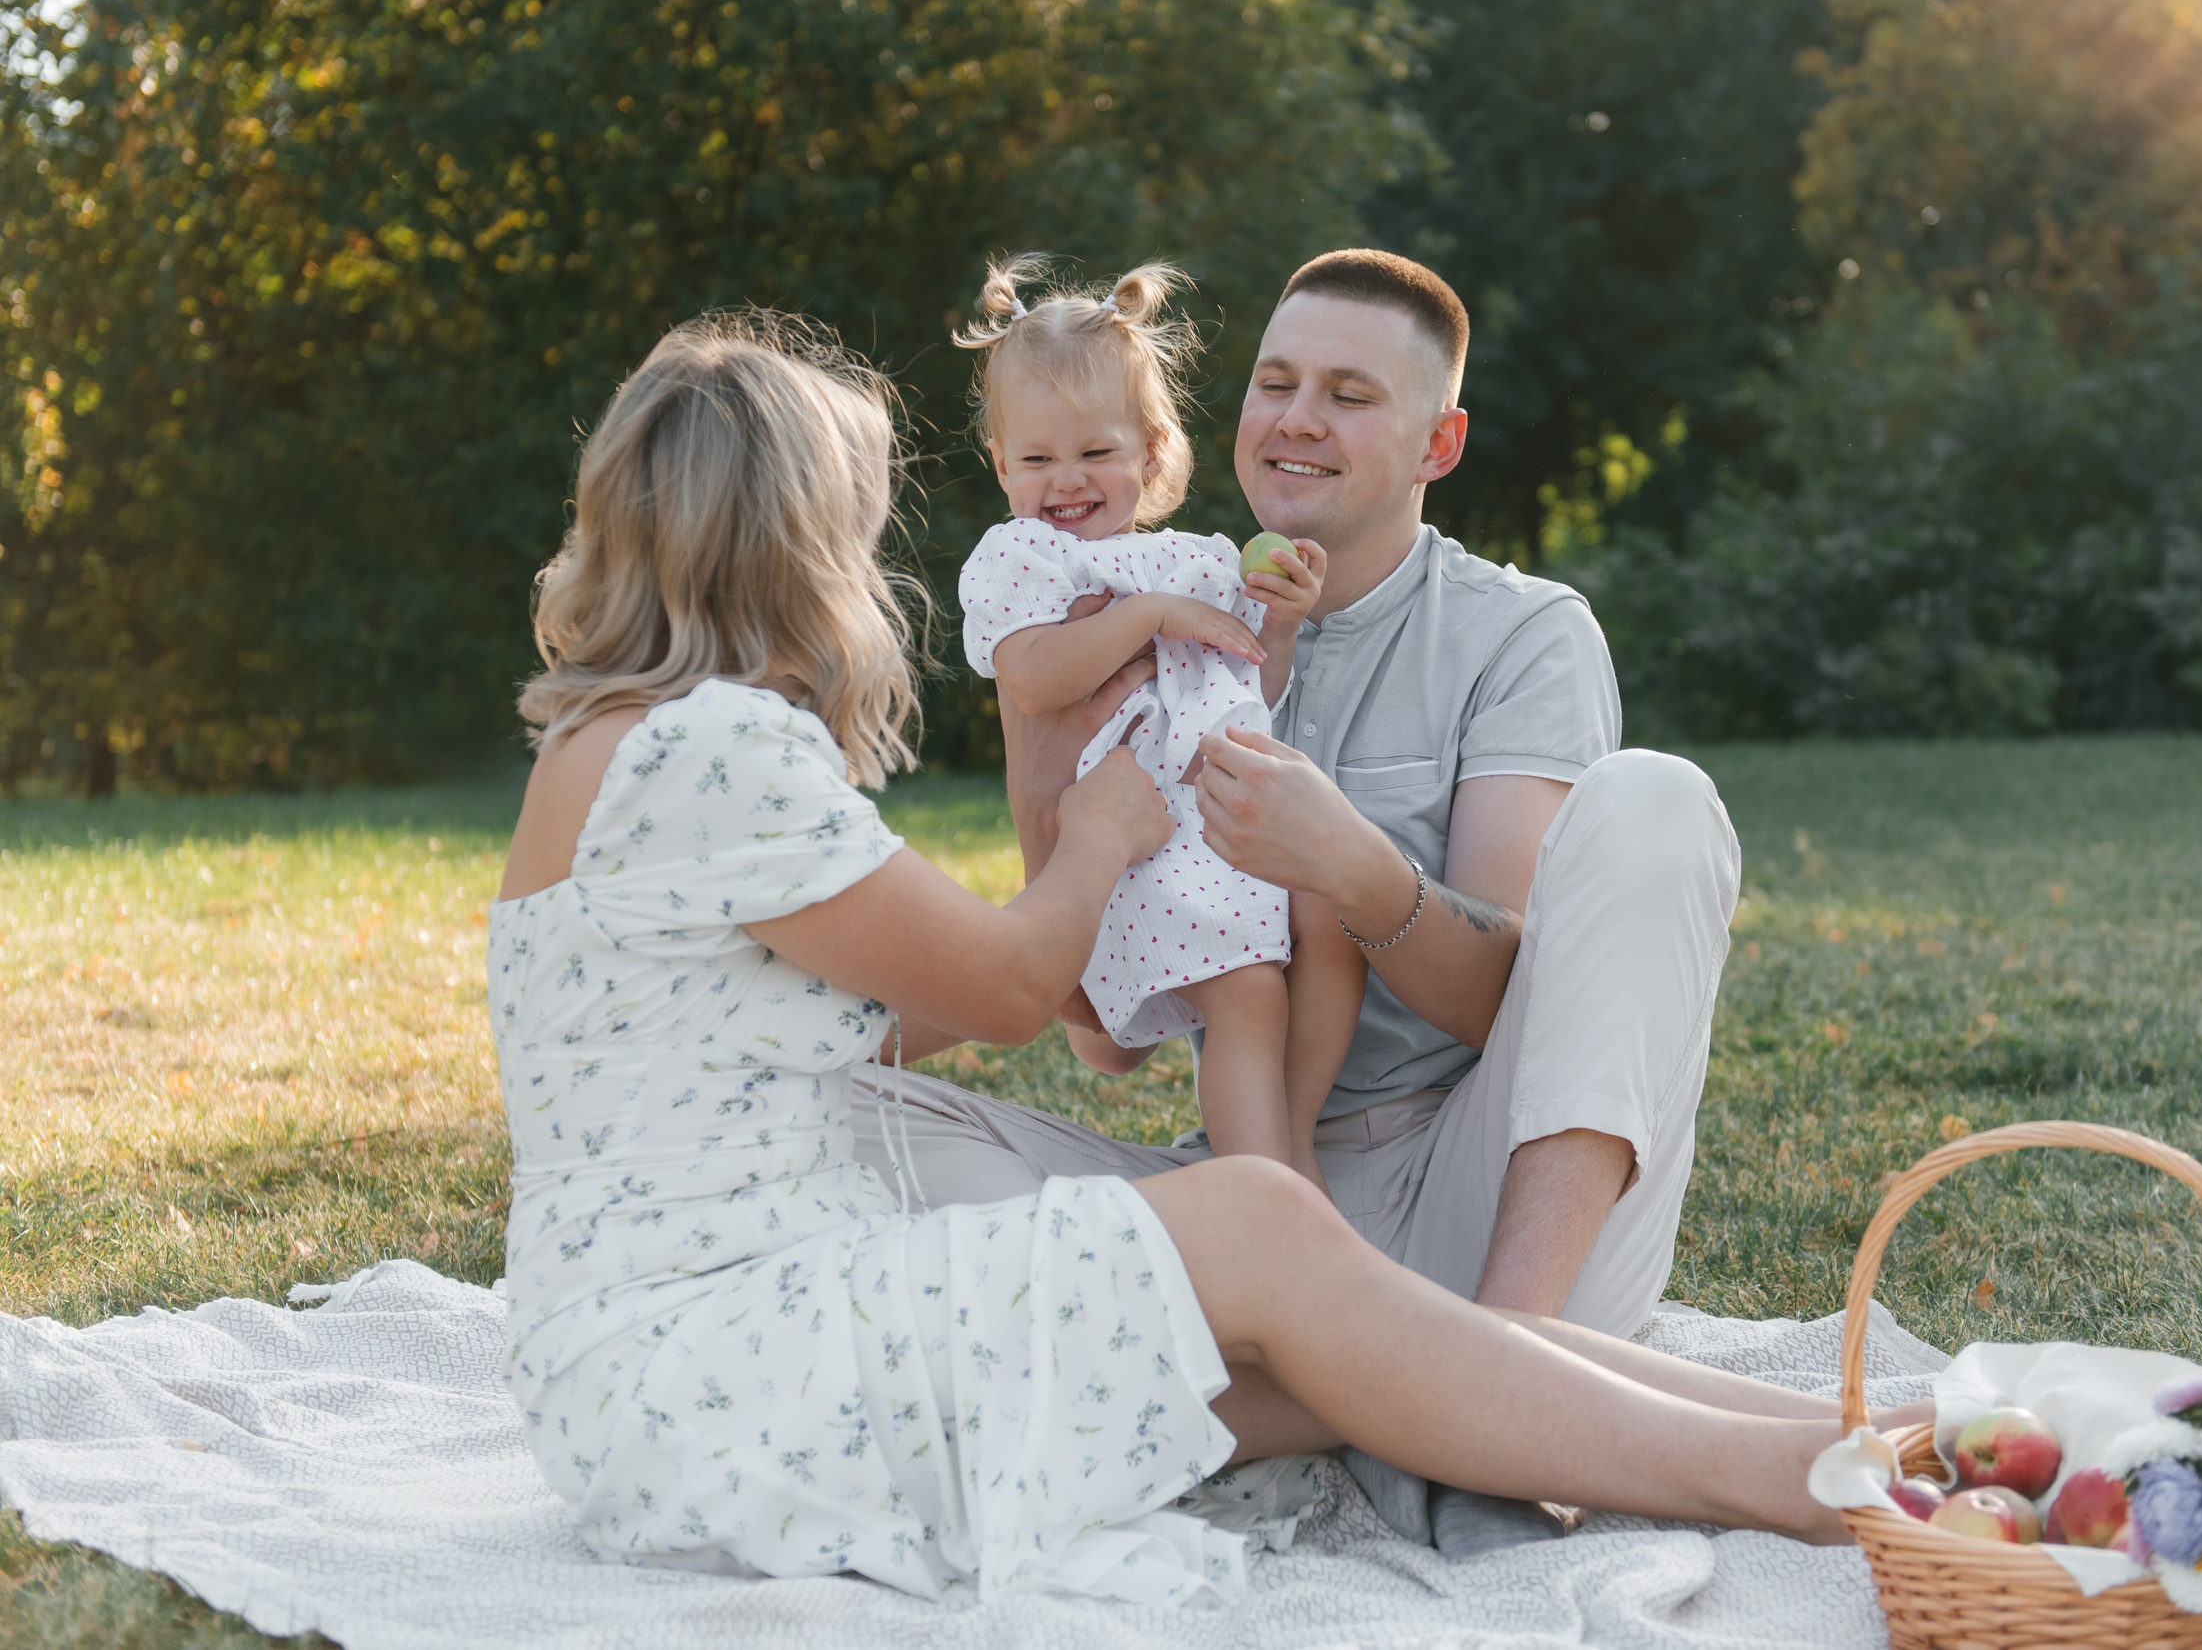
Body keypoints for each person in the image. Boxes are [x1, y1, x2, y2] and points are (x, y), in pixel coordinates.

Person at [487, 308, 1914, 1607]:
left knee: (1273, 1335)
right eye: (855, 523)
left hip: (671, 1372)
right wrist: (1097, 835)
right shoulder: (718, 746)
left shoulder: (619, 744)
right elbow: (1006, 992)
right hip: (716, 1360)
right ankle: (1812, 1470)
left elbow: (888, 1013)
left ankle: (1839, 1445)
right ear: (792, 539)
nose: (868, 562)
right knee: (1263, 1242)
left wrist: (1296, 874)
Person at [839, 250, 1743, 1555]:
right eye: (1276, 382)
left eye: (1349, 393)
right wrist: (1049, 792)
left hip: (1478, 1193)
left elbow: (1521, 1001)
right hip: (1268, 1188)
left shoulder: (1523, 634)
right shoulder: (1126, 604)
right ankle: (1361, 1401)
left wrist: (1357, 867)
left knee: (1658, 799)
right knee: (845, 1117)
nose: (1298, 417)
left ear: (1440, 440)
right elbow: (1104, 1030)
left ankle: (1505, 1384)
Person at [950, 255, 1366, 1193]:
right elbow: (1032, 674)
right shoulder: (1025, 557)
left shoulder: (1187, 558)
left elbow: (1250, 678)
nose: (1066, 481)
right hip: (1142, 831)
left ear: (1151, 450)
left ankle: (1287, 1152)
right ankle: (1269, 1199)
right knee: (1250, 999)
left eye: (1095, 453)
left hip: (1228, 816)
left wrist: (1284, 617)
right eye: (1036, 458)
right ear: (1001, 466)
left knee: (1333, 924)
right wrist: (1145, 618)